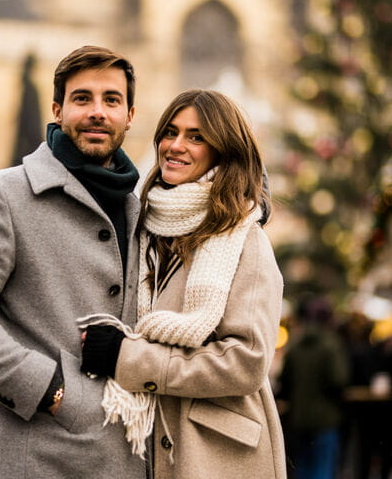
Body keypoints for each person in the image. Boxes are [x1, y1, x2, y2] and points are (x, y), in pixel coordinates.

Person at [0, 46, 147, 478]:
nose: (97, 111)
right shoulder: (3, 196)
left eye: (111, 100)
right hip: (33, 460)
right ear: (58, 110)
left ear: (131, 114)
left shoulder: (141, 210)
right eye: (82, 99)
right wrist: (52, 391)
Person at [78, 89, 287, 478]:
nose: (175, 146)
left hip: (216, 455)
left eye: (196, 137)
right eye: (170, 132)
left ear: (223, 150)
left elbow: (247, 363)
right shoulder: (144, 227)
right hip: (144, 444)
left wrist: (129, 359)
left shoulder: (245, 239)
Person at [276, 294, 349, 479]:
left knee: (302, 467)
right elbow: (338, 380)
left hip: (299, 418)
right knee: (322, 468)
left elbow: (284, 380)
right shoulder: (331, 344)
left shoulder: (296, 345)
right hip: (325, 418)